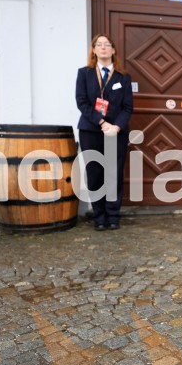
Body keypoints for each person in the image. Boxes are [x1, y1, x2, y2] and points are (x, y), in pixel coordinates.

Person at [76, 34, 134, 231]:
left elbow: (128, 107)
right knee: (95, 173)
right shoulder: (84, 73)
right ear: (93, 50)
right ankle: (99, 216)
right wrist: (101, 122)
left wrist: (116, 127)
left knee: (113, 173)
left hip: (116, 132)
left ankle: (112, 215)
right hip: (90, 130)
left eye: (107, 44)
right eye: (98, 45)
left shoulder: (123, 77)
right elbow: (82, 103)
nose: (103, 48)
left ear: (113, 50)